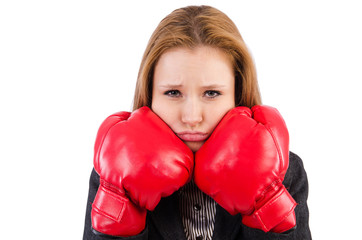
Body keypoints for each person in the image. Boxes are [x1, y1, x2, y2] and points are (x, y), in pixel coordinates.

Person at [83, 5, 312, 240]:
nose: (192, 117)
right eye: (173, 92)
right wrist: (119, 207)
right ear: (150, 95)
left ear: (238, 95)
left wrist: (266, 202)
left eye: (211, 93)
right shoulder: (115, 172)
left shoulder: (283, 171)